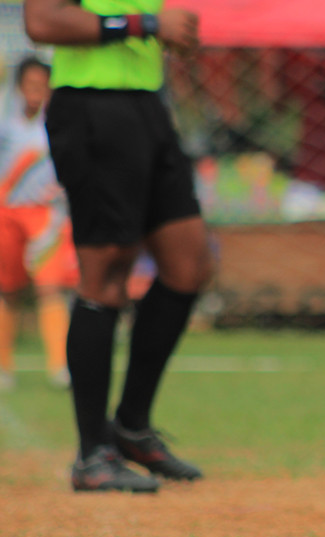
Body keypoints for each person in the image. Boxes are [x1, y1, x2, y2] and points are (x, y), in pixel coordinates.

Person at [24, 0, 211, 492]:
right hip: (89, 107)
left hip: (147, 105)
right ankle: (91, 454)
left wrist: (175, 35)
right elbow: (42, 20)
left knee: (188, 265)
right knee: (106, 273)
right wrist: (148, 24)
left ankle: (130, 426)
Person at [0, 56, 78, 391]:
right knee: (7, 289)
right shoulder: (6, 124)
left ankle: (59, 365)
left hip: (45, 214)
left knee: (50, 287)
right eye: (29, 86)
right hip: (7, 213)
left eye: (41, 86)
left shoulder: (59, 123)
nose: (35, 93)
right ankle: (4, 364)